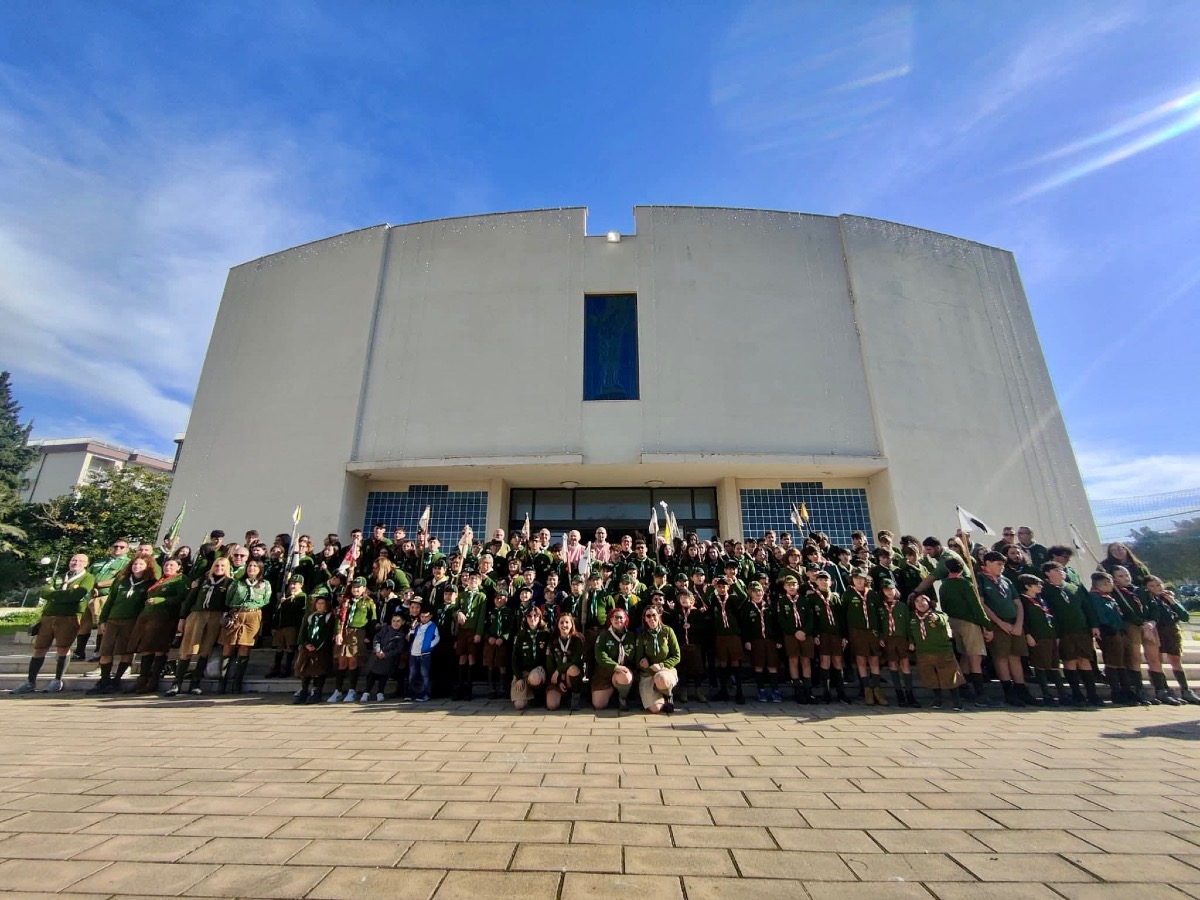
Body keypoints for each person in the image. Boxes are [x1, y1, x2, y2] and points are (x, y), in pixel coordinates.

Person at [13, 553, 94, 694]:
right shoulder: (59, 576)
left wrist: (55, 596)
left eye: (81, 561)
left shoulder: (88, 577)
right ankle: (30, 681)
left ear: (86, 564)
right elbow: (44, 591)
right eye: (74, 560)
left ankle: (57, 680)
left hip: (68, 617)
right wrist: (63, 596)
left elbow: (76, 596)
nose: (76, 562)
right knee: (39, 648)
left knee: (63, 648)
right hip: (48, 616)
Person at [170, 556, 234, 697]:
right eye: (217, 566)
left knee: (204, 650)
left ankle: (195, 683)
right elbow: (190, 599)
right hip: (197, 615)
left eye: (223, 566)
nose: (219, 569)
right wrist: (182, 618)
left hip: (214, 617)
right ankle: (177, 683)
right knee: (187, 649)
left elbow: (228, 603)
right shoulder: (203, 581)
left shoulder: (229, 583)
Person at [89, 556, 152, 694]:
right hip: (113, 619)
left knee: (126, 651)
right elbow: (110, 601)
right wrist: (103, 620)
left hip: (132, 621)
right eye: (135, 564)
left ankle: (117, 679)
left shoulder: (148, 583)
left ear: (147, 567)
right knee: (106, 650)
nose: (137, 566)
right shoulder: (121, 581)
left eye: (141, 564)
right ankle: (104, 680)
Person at [1041, 562, 1102, 706]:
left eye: (1062, 569)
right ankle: (1077, 694)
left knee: (1085, 660)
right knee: (1070, 660)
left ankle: (1092, 694)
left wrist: (1094, 625)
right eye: (1056, 570)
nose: (1061, 572)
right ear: (1048, 573)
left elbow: (1087, 607)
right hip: (1064, 631)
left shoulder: (1075, 588)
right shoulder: (1045, 591)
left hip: (1082, 629)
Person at [127, 558, 189, 694]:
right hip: (148, 618)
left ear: (179, 567)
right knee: (147, 648)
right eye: (166, 565)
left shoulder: (180, 579)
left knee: (159, 648)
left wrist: (162, 600)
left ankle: (153, 680)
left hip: (165, 618)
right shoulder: (161, 580)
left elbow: (183, 597)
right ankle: (142, 678)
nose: (168, 567)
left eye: (172, 565)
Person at [977, 551, 1030, 707]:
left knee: (1015, 657)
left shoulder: (1006, 580)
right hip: (998, 624)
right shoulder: (980, 579)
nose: (1001, 567)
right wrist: (1000, 623)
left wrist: (1019, 623)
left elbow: (1018, 603)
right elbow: (982, 604)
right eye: (998, 564)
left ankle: (1021, 688)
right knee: (1001, 657)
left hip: (1014, 623)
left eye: (1003, 564)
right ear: (987, 563)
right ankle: (1008, 690)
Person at [1142, 576, 1199, 704]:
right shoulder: (1147, 599)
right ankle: (1162, 690)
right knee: (1156, 661)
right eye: (1152, 586)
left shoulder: (1167, 598)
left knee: (1176, 660)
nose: (1156, 588)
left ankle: (1185, 690)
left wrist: (1173, 602)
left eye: (1158, 585)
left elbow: (1184, 616)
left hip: (1171, 631)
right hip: (1156, 630)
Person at [219, 557, 272, 694]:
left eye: (255, 566)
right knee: (228, 645)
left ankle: (237, 682)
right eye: (249, 566)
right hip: (237, 613)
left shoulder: (265, 584)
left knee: (245, 646)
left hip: (253, 615)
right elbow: (228, 599)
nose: (252, 568)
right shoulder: (237, 583)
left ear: (260, 569)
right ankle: (222, 681)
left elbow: (266, 600)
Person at [907, 593, 965, 710]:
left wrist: (937, 618)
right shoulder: (913, 618)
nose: (920, 603)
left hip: (942, 652)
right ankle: (937, 700)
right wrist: (911, 642)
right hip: (924, 652)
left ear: (929, 602)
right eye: (917, 601)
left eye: (923, 600)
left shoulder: (937, 614)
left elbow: (943, 620)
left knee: (950, 676)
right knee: (930, 677)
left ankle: (957, 701)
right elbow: (910, 631)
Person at [1088, 571, 1135, 706]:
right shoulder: (1095, 597)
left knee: (1122, 661)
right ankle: (1116, 691)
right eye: (1110, 582)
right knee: (1113, 662)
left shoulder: (1108, 597)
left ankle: (1126, 690)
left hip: (1119, 630)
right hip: (1109, 632)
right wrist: (1107, 627)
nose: (1112, 585)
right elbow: (1099, 613)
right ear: (1104, 583)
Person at [78, 539, 130, 660]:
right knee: (84, 624)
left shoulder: (127, 563)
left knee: (102, 624)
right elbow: (87, 575)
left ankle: (99, 651)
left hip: (105, 596)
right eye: (115, 546)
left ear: (127, 549)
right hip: (89, 596)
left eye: (122, 547)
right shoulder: (100, 561)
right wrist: (90, 587)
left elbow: (120, 579)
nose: (118, 548)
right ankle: (79, 651)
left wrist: (98, 585)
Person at [1017, 573, 1064, 705]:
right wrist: (1028, 635)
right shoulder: (1024, 600)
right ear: (1027, 586)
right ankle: (1046, 694)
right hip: (1037, 636)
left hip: (1050, 634)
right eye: (1037, 584)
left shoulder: (1041, 599)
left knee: (1054, 665)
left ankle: (1062, 693)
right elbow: (1025, 620)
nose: (1040, 586)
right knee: (1040, 665)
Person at [330, 576, 376, 703]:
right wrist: (338, 632)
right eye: (354, 587)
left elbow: (372, 620)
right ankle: (338, 690)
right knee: (342, 661)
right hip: (345, 632)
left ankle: (352, 690)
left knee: (353, 661)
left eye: (358, 587)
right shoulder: (346, 602)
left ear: (364, 588)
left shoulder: (368, 602)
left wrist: (369, 636)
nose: (356, 589)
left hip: (358, 632)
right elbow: (340, 618)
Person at [844, 568, 884, 705]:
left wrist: (880, 633)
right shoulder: (848, 594)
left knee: (874, 660)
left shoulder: (873, 594)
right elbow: (843, 615)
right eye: (856, 579)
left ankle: (877, 690)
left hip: (872, 631)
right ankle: (866, 690)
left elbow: (879, 614)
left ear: (866, 579)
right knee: (861, 660)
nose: (859, 581)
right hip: (856, 632)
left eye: (861, 578)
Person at [876, 579, 917, 707]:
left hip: (901, 638)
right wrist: (880, 637)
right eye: (886, 589)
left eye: (891, 589)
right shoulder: (880, 607)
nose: (889, 592)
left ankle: (909, 694)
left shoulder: (902, 606)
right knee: (892, 664)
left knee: (905, 664)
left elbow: (907, 624)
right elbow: (878, 624)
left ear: (895, 590)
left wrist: (911, 640)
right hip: (888, 639)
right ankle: (899, 694)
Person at [775, 574, 814, 704]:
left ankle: (808, 692)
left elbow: (811, 618)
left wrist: (804, 631)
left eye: (794, 584)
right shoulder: (782, 601)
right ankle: (797, 691)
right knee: (793, 660)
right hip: (791, 635)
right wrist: (794, 631)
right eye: (789, 585)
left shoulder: (804, 599)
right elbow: (782, 620)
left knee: (806, 661)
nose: (792, 587)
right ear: (785, 587)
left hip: (805, 634)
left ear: (798, 586)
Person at [635, 605, 681, 713]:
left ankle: (668, 696)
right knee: (655, 709)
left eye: (654, 615)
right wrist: (643, 662)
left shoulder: (667, 631)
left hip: (665, 670)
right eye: (648, 616)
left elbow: (677, 656)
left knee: (661, 678)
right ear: (645, 619)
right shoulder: (642, 635)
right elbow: (638, 658)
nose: (652, 618)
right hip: (648, 673)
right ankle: (659, 698)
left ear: (659, 615)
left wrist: (661, 665)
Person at [741, 582, 782, 703]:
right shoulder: (747, 607)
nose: (757, 594)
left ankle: (775, 690)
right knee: (758, 665)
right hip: (756, 640)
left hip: (770, 640)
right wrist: (747, 640)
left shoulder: (769, 606)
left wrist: (779, 640)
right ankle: (761, 690)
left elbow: (777, 624)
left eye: (759, 591)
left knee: (772, 665)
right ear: (750, 593)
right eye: (754, 592)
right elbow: (745, 626)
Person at [811, 570, 848, 703]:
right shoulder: (812, 598)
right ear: (816, 582)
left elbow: (841, 618)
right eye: (820, 579)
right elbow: (812, 618)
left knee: (837, 661)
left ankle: (841, 693)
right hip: (823, 634)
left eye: (826, 579)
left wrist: (844, 635)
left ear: (831, 582)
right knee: (824, 661)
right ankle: (826, 693)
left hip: (836, 633)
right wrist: (815, 634)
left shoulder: (835, 597)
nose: (823, 582)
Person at [666, 588, 707, 703]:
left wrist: (691, 626)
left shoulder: (697, 613)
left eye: (686, 598)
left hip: (694, 645)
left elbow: (703, 628)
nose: (683, 600)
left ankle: (698, 690)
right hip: (681, 645)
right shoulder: (677, 613)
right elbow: (672, 627)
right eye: (681, 599)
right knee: (682, 668)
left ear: (692, 600)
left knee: (697, 669)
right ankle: (683, 691)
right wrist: (672, 612)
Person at [592, 607, 636, 712]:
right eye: (614, 617)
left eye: (621, 617)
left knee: (625, 675)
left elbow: (634, 656)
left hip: (622, 671)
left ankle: (622, 697)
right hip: (605, 672)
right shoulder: (604, 635)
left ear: (625, 619)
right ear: (610, 620)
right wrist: (615, 666)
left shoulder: (631, 636)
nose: (618, 620)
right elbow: (600, 655)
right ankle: (613, 690)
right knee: (599, 704)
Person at [294, 595, 336, 703]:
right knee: (306, 669)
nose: (320, 605)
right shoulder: (310, 616)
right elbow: (302, 632)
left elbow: (326, 634)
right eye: (318, 603)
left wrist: (316, 646)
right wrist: (305, 643)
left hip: (321, 649)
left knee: (319, 670)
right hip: (307, 648)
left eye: (322, 603)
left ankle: (317, 691)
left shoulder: (329, 617)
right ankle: (304, 690)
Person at [267, 574, 306, 679]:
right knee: (279, 647)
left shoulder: (302, 597)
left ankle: (287, 669)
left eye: (295, 584)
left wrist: (287, 602)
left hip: (292, 625)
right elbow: (278, 612)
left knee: (290, 647)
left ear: (301, 585)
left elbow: (298, 611)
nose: (292, 586)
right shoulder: (286, 597)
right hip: (281, 625)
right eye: (291, 584)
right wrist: (274, 626)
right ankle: (276, 668)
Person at [363, 611, 407, 702]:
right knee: (372, 675)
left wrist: (386, 654)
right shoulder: (385, 629)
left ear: (402, 622)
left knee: (383, 676)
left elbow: (398, 649)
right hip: (377, 655)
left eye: (398, 621)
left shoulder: (401, 635)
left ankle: (380, 692)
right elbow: (376, 638)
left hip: (388, 658)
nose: (395, 623)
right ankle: (366, 692)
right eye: (394, 621)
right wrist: (377, 649)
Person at [510, 606, 548, 711]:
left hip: (538, 672)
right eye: (529, 616)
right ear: (526, 618)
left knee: (534, 678)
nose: (532, 618)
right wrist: (518, 677)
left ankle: (537, 696)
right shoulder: (520, 635)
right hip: (524, 673)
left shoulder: (546, 634)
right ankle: (527, 696)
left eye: (535, 615)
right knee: (519, 705)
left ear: (540, 617)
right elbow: (515, 658)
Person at [546, 612, 584, 711]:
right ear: (558, 625)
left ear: (572, 624)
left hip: (571, 676)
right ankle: (563, 697)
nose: (564, 625)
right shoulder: (552, 640)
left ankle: (574, 696)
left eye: (567, 622)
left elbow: (576, 661)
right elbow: (549, 663)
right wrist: (558, 680)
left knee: (573, 669)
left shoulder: (577, 639)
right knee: (552, 705)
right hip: (557, 678)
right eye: (561, 622)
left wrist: (559, 670)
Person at [482, 590, 515, 699]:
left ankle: (503, 687)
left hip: (502, 642)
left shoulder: (509, 612)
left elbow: (511, 627)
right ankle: (491, 688)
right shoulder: (490, 612)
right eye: (496, 598)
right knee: (490, 663)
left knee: (502, 664)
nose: (499, 600)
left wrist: (503, 638)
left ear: (506, 599)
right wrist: (488, 637)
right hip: (491, 641)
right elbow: (485, 626)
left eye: (501, 598)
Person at [405, 602, 440, 702]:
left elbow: (437, 638)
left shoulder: (432, 626)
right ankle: (410, 692)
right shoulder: (418, 625)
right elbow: (411, 636)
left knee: (424, 674)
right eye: (422, 616)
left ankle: (425, 693)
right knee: (412, 674)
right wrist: (412, 628)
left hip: (425, 654)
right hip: (414, 652)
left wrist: (429, 647)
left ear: (430, 616)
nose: (424, 618)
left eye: (426, 617)